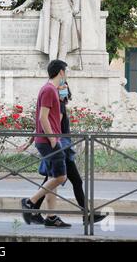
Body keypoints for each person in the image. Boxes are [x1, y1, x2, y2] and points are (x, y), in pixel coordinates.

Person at [30, 82, 107, 225]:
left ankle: (34, 210)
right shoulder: (59, 105)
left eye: (65, 87)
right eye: (61, 87)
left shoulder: (58, 104)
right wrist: (54, 142)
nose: (63, 89)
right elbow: (54, 126)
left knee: (51, 179)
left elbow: (43, 124)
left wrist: (31, 140)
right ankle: (87, 215)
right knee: (74, 181)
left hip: (58, 145)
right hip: (61, 147)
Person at [17, 60, 71, 228]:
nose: (66, 76)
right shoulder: (49, 90)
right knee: (61, 177)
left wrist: (30, 141)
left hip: (45, 139)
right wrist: (52, 138)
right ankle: (30, 202)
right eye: (66, 73)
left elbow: (41, 120)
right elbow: (42, 117)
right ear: (61, 72)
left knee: (53, 178)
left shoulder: (51, 90)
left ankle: (51, 217)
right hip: (49, 141)